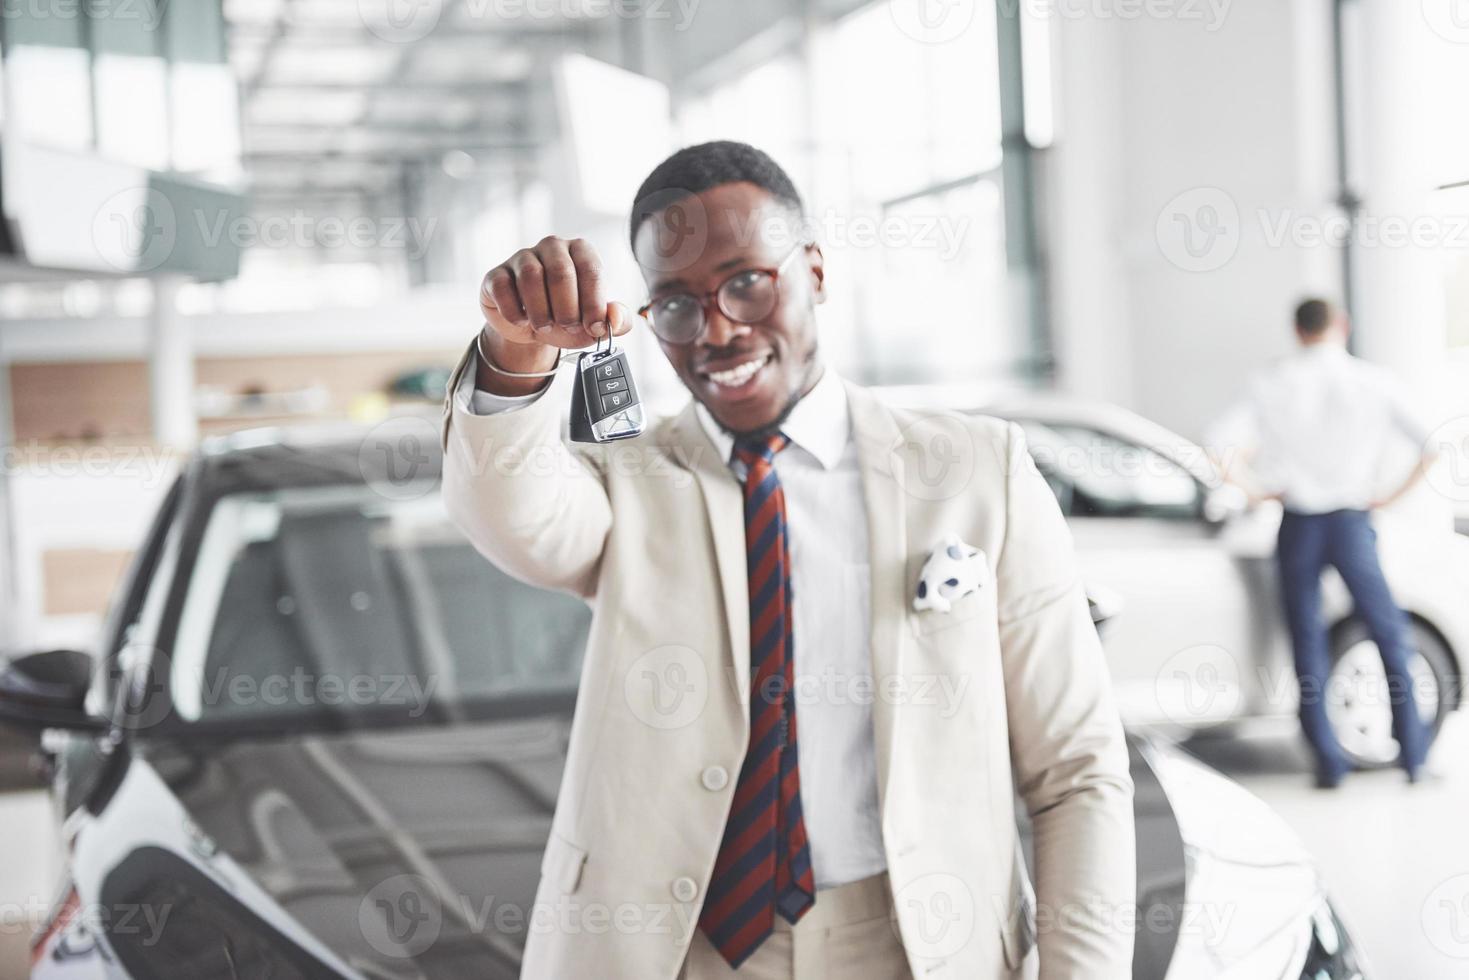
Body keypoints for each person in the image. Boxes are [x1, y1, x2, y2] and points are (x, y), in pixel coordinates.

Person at [440, 141, 1134, 979]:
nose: (719, 331)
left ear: (813, 270)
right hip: (673, 947)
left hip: (914, 943)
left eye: (745, 282)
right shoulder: (625, 478)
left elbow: (1075, 774)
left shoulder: (974, 472)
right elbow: (512, 516)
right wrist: (514, 357)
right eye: (677, 306)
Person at [1206, 298, 1439, 789]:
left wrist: (1256, 491)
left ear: (1297, 330)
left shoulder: (1270, 381)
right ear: (1342, 327)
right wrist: (1387, 498)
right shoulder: (1372, 381)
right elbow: (1432, 444)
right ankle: (1414, 756)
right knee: (1388, 631)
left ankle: (1328, 763)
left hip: (1298, 523)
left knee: (1306, 640)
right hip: (1353, 520)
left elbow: (1217, 443)